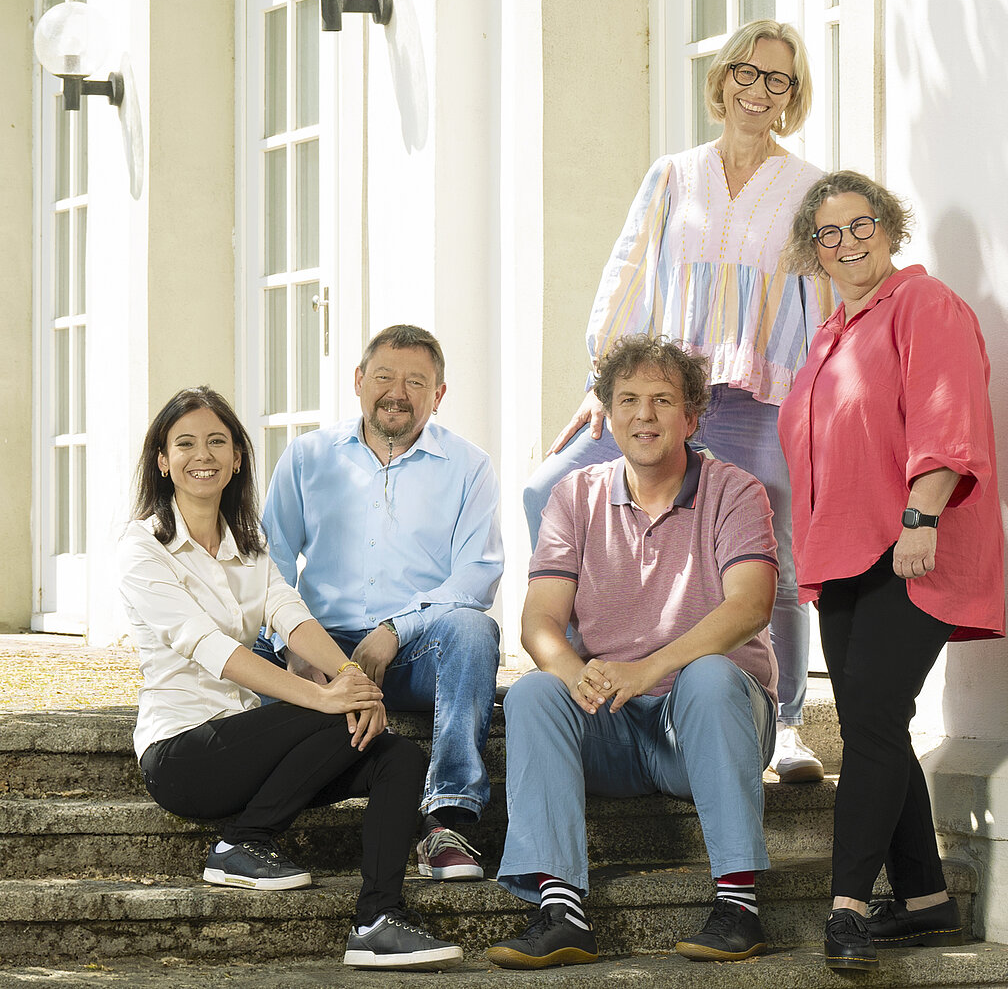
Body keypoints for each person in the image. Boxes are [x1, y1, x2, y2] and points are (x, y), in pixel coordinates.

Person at [522, 20, 835, 783]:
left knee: (778, 560)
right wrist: (606, 384)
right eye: (746, 73)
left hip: (759, 397)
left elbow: (818, 303)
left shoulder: (807, 188)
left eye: (778, 80)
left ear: (792, 98)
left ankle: (787, 722)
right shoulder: (672, 174)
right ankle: (593, 663)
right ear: (722, 78)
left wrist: (817, 410)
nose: (758, 90)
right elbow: (627, 273)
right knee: (546, 487)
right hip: (663, 395)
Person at [119, 387, 463, 970]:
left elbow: (291, 615)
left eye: (217, 442)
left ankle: (377, 920)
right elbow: (214, 651)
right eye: (184, 444)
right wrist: (325, 696)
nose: (201, 455)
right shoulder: (143, 547)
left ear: (236, 459)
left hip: (252, 747)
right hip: (183, 755)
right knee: (330, 714)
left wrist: (354, 679)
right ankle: (243, 841)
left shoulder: (247, 542)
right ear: (162, 459)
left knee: (397, 758)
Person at [488, 335, 780, 969]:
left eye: (662, 400)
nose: (643, 415)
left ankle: (738, 907)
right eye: (628, 400)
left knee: (707, 676)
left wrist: (650, 668)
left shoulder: (737, 492)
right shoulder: (575, 496)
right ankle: (560, 911)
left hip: (706, 725)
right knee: (537, 690)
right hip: (614, 727)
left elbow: (750, 606)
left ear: (692, 416)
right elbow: (539, 619)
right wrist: (575, 672)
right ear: (608, 413)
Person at [777, 171, 1005, 971]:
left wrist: (922, 513)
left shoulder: (921, 302)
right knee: (878, 720)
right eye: (828, 234)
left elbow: (949, 413)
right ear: (815, 252)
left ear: (889, 226)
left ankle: (845, 906)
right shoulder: (828, 335)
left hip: (912, 544)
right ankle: (926, 899)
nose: (847, 243)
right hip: (844, 556)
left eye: (860, 223)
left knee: (869, 724)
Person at [258, 324, 504, 882]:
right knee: (249, 641)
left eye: (416, 381)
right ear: (358, 381)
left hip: (416, 654)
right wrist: (293, 641)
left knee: (473, 631)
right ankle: (260, 827)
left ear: (438, 395)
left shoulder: (470, 467)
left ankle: (448, 821)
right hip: (322, 646)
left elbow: (477, 576)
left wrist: (398, 627)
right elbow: (267, 562)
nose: (398, 392)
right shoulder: (307, 457)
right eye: (385, 376)